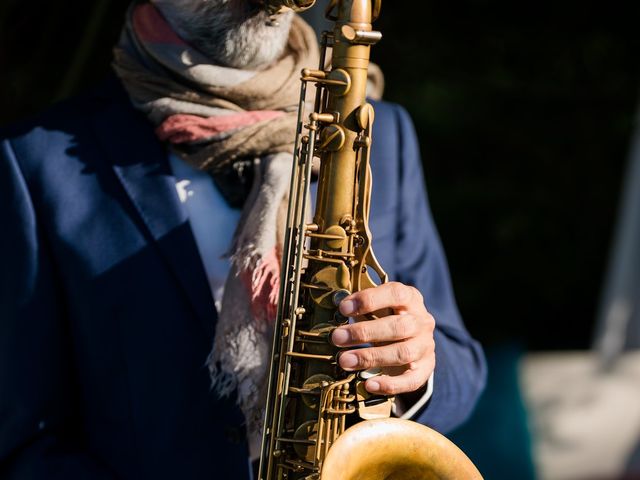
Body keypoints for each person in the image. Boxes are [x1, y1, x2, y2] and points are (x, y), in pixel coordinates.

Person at [0, 1, 486, 478]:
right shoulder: (32, 165)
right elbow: (24, 445)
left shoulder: (383, 131)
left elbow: (464, 367)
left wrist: (414, 369)